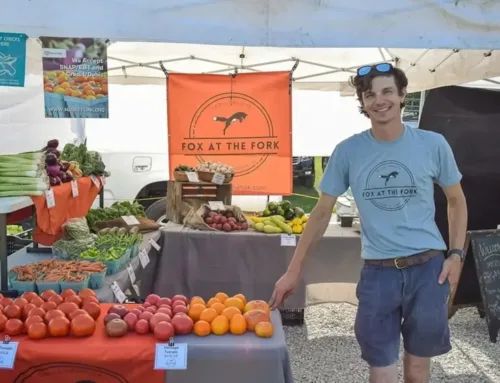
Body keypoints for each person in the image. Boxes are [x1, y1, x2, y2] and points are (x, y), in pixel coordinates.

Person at [269, 63, 468, 383]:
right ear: (362, 102)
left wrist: (457, 254)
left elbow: (456, 200)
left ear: (403, 94)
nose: (379, 100)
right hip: (379, 273)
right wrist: (293, 271)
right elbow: (320, 214)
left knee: (418, 369)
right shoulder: (349, 151)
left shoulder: (433, 144)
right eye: (369, 94)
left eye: (387, 91)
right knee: (382, 370)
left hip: (428, 269)